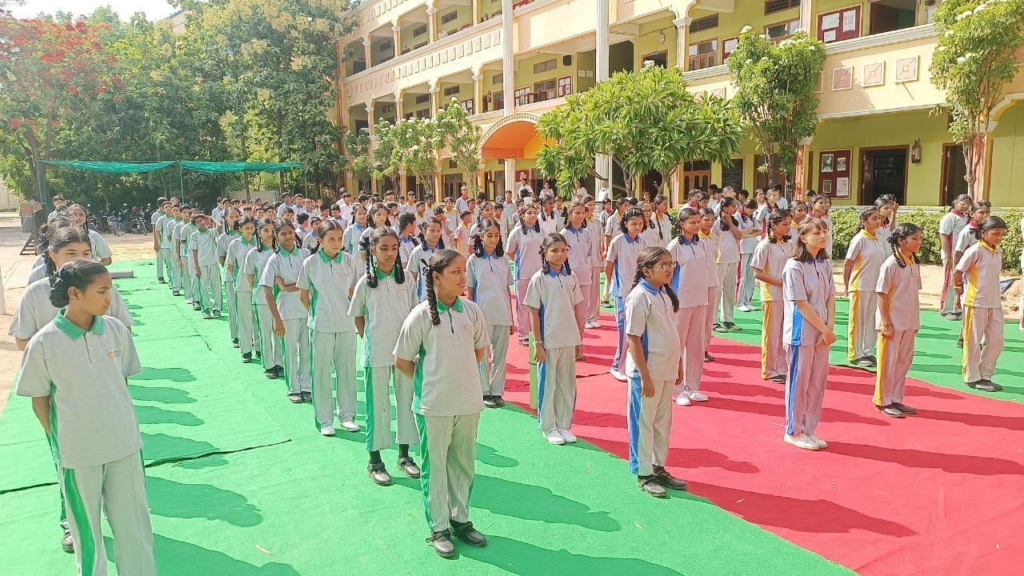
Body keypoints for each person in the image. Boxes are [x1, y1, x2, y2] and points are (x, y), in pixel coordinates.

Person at [16, 260, 155, 576]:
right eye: (102, 290)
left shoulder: (115, 330)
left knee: (134, 527)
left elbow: (121, 384)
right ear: (75, 294)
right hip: (79, 454)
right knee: (88, 535)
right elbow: (40, 403)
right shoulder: (44, 343)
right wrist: (64, 442)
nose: (110, 297)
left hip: (125, 446)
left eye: (111, 289)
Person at [394, 250, 490, 558]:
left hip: (468, 401)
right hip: (434, 405)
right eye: (455, 272)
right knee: (435, 466)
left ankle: (460, 519)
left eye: (464, 271)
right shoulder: (420, 315)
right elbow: (402, 361)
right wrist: (432, 383)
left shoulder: (472, 311)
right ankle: (438, 527)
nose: (463, 277)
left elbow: (477, 351)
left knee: (463, 464)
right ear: (436, 277)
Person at [350, 227, 420, 485]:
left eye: (394, 248)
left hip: (404, 353)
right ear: (372, 250)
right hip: (377, 353)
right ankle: (375, 461)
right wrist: (367, 340)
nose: (390, 253)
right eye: (383, 248)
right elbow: (358, 315)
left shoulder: (407, 280)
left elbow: (416, 314)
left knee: (406, 401)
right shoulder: (365, 282)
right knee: (378, 406)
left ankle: (404, 455)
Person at [625, 247, 688, 498]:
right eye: (663, 265)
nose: (669, 269)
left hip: (666, 368)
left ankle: (658, 466)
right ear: (646, 270)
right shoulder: (639, 296)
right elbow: (633, 338)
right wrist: (645, 376)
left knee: (662, 421)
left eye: (670, 264)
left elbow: (671, 334)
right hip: (648, 372)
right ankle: (643, 472)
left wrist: (679, 363)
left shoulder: (663, 293)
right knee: (644, 422)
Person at [297, 220, 360, 435]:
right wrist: (316, 314)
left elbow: (354, 292)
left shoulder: (349, 261)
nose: (336, 243)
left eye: (339, 239)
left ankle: (347, 415)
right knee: (322, 372)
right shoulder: (311, 263)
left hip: (346, 324)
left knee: (347, 371)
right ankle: (324, 420)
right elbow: (304, 295)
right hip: (321, 325)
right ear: (320, 241)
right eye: (331, 239)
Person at [782, 218, 837, 451]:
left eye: (825, 232)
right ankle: (793, 430)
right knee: (799, 382)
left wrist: (829, 329)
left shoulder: (824, 263)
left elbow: (831, 298)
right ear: (803, 237)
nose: (823, 236)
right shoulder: (794, 266)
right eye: (817, 233)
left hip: (823, 333)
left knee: (817, 383)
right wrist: (824, 329)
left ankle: (810, 429)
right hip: (801, 333)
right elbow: (801, 304)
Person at [526, 233, 585, 445]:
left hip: (569, 338)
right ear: (544, 252)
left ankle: (563, 424)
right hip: (549, 340)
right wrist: (538, 343)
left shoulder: (571, 277)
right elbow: (533, 313)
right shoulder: (538, 279)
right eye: (555, 250)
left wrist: (580, 338)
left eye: (563, 250)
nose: (560, 254)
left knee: (567, 384)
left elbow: (578, 308)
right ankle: (548, 426)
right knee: (548, 384)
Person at [875, 223, 923, 418]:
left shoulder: (913, 262)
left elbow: (913, 294)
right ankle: (882, 400)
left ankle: (896, 398)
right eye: (914, 239)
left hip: (909, 321)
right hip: (893, 322)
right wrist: (886, 322)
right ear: (901, 241)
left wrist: (915, 321)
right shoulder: (891, 264)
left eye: (919, 238)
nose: (918, 242)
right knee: (888, 362)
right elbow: (882, 293)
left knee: (903, 361)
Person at [954, 216, 1007, 392]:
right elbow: (958, 271)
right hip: (975, 302)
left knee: (996, 340)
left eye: (1001, 234)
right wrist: (958, 291)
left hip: (994, 302)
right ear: (983, 233)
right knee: (973, 341)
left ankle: (985, 375)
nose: (999, 237)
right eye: (995, 233)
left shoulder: (997, 251)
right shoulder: (975, 251)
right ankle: (972, 376)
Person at [261, 219, 311, 403]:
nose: (288, 236)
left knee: (306, 349)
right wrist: (277, 319)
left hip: (306, 308)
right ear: (276, 236)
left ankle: (306, 385)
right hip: (286, 311)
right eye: (283, 234)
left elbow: (310, 283)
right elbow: (267, 291)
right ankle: (293, 388)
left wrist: (287, 286)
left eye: (290, 232)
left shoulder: (305, 254)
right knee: (290, 351)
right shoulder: (274, 259)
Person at [467, 219, 514, 408]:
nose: (493, 239)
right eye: (489, 235)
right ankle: (484, 390)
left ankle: (497, 390)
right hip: (482, 313)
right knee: (482, 354)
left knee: (500, 355)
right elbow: (470, 290)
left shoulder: (503, 259)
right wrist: (471, 317)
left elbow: (506, 289)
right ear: (481, 236)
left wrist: (511, 316)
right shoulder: (473, 260)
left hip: (502, 312)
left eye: (496, 235)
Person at [667, 208, 710, 405]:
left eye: (697, 221)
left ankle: (692, 387)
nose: (696, 225)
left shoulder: (701, 243)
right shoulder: (675, 245)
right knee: (678, 344)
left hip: (700, 299)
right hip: (681, 301)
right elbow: (666, 272)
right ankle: (677, 388)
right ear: (681, 224)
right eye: (691, 222)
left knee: (696, 346)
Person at [605, 207, 648, 382]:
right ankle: (617, 365)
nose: (637, 227)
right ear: (625, 224)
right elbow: (609, 265)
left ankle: (633, 363)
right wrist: (610, 285)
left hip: (638, 293)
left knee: (639, 330)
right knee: (624, 331)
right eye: (633, 224)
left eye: (640, 223)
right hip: (622, 292)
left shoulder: (642, 242)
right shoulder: (617, 241)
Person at [843, 207, 887, 368]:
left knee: (870, 319)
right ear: (864, 222)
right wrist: (847, 284)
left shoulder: (879, 238)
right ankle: (855, 352)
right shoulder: (859, 239)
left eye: (879, 218)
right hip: (860, 285)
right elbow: (848, 264)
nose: (878, 221)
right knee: (857, 320)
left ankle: (867, 350)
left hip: (875, 285)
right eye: (874, 218)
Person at [751, 209, 792, 383]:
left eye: (789, 224)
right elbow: (757, 273)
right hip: (771, 295)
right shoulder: (764, 245)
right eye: (784, 224)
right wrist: (780, 283)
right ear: (773, 225)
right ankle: (768, 369)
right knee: (771, 333)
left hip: (787, 295)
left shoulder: (788, 244)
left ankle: (782, 367)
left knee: (784, 332)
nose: (788, 227)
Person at [506, 205, 545, 345]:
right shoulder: (516, 232)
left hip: (539, 273)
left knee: (538, 304)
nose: (533, 215)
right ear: (522, 216)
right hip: (523, 274)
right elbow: (510, 252)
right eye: (529, 213)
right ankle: (523, 334)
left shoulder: (541, 231)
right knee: (523, 305)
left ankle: (537, 333)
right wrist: (520, 262)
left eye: (535, 213)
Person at [560, 200, 594, 352]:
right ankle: (568, 346)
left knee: (581, 315)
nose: (581, 216)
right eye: (577, 213)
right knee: (568, 313)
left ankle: (579, 345)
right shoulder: (563, 235)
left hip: (585, 277)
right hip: (568, 277)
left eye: (583, 213)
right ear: (570, 214)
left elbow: (589, 254)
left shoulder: (587, 234)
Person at [226, 217, 260, 363]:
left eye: (252, 228)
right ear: (240, 228)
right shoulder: (235, 244)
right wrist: (236, 280)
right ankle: (246, 350)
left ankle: (260, 348)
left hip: (259, 286)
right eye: (246, 228)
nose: (250, 231)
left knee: (258, 318)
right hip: (242, 286)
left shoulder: (258, 243)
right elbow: (230, 265)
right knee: (245, 318)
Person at [713, 198, 743, 334]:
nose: (735, 208)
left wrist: (730, 222)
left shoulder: (735, 221)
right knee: (717, 291)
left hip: (733, 258)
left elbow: (739, 236)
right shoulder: (716, 224)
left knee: (729, 290)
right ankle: (713, 320)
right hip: (720, 260)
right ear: (724, 208)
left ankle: (728, 319)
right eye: (732, 206)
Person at [939, 194, 971, 320]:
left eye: (968, 204)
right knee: (950, 281)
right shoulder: (949, 217)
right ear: (955, 203)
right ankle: (945, 309)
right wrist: (947, 256)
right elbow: (943, 236)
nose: (965, 206)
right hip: (951, 254)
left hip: (962, 254)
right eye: (963, 204)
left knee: (959, 280)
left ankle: (956, 307)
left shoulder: (965, 217)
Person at [189, 215, 222, 319]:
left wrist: (211, 218)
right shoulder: (194, 235)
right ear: (195, 225)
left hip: (213, 263)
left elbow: (220, 226)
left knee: (216, 287)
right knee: (203, 288)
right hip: (202, 264)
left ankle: (217, 309)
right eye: (198, 222)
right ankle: (205, 309)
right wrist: (196, 266)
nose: (201, 223)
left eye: (201, 220)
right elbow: (194, 251)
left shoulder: (212, 232)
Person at [698, 208, 720, 362]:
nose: (710, 223)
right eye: (706, 219)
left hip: (713, 281)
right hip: (698, 283)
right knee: (698, 318)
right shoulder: (694, 239)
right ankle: (695, 349)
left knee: (709, 318)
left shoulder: (713, 237)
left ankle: (704, 348)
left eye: (712, 219)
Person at [407, 216, 447, 301]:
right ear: (424, 231)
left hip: (444, 298)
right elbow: (411, 278)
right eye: (432, 230)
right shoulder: (417, 252)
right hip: (424, 299)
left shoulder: (447, 251)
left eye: (438, 231)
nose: (436, 234)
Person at [218, 208, 242, 345]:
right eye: (231, 216)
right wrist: (230, 272)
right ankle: (236, 335)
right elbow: (221, 258)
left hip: (246, 277)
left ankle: (248, 334)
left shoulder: (247, 234)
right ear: (226, 219)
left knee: (246, 307)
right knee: (233, 305)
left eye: (237, 216)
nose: (235, 219)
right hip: (231, 277)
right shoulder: (223, 237)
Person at [736, 200, 761, 312]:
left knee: (750, 276)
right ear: (744, 207)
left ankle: (747, 300)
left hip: (752, 247)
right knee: (742, 276)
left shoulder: (753, 217)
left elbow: (759, 231)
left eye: (753, 210)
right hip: (742, 248)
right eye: (749, 209)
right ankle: (739, 302)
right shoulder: (737, 216)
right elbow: (739, 233)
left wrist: (748, 232)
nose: (751, 212)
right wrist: (750, 231)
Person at [151, 199, 169, 283]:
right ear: (160, 206)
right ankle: (160, 276)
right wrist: (156, 242)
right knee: (160, 258)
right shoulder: (156, 215)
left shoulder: (169, 214)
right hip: (159, 240)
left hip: (167, 241)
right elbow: (154, 230)